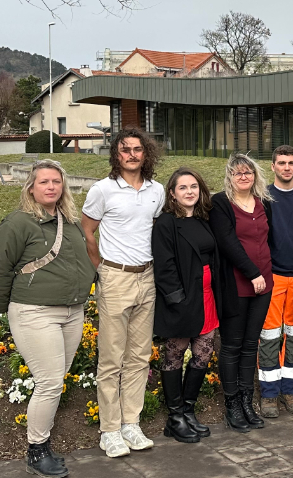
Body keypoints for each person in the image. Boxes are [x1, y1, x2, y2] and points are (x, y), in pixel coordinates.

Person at [0, 160, 96, 476]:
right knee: (48, 382)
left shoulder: (70, 221)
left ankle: (41, 445)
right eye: (44, 181)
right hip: (35, 312)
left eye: (56, 182)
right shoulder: (20, 223)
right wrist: (9, 306)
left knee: (55, 380)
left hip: (72, 312)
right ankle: (36, 450)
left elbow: (83, 258)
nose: (51, 187)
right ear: (31, 187)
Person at [82, 127, 164, 457]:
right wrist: (101, 268)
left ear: (147, 154)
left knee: (139, 357)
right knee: (112, 359)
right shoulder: (103, 190)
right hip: (115, 279)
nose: (131, 154)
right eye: (125, 149)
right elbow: (87, 232)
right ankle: (110, 430)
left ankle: (131, 423)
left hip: (148, 278)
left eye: (137, 149)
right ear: (116, 155)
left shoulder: (156, 191)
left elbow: (155, 228)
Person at [151, 168, 221, 444]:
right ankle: (175, 416)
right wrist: (176, 299)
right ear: (172, 193)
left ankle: (188, 410)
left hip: (206, 296)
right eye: (183, 188)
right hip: (181, 298)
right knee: (175, 354)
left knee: (203, 353)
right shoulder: (166, 223)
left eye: (193, 186)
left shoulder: (204, 219)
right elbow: (164, 265)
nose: (189, 192)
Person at [209, 154, 275, 432]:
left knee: (251, 345)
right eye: (237, 173)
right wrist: (252, 273)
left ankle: (248, 402)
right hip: (236, 283)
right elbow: (227, 242)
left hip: (264, 284)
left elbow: (267, 240)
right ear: (229, 177)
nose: (243, 177)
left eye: (248, 172)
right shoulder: (220, 203)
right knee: (232, 345)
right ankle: (232, 405)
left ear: (255, 175)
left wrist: (263, 276)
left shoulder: (264, 203)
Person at [255, 147, 293, 419]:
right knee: (268, 335)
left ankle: (290, 390)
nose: (287, 167)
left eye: (291, 163)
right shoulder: (263, 196)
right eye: (282, 163)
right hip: (273, 277)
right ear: (273, 166)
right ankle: (268, 394)